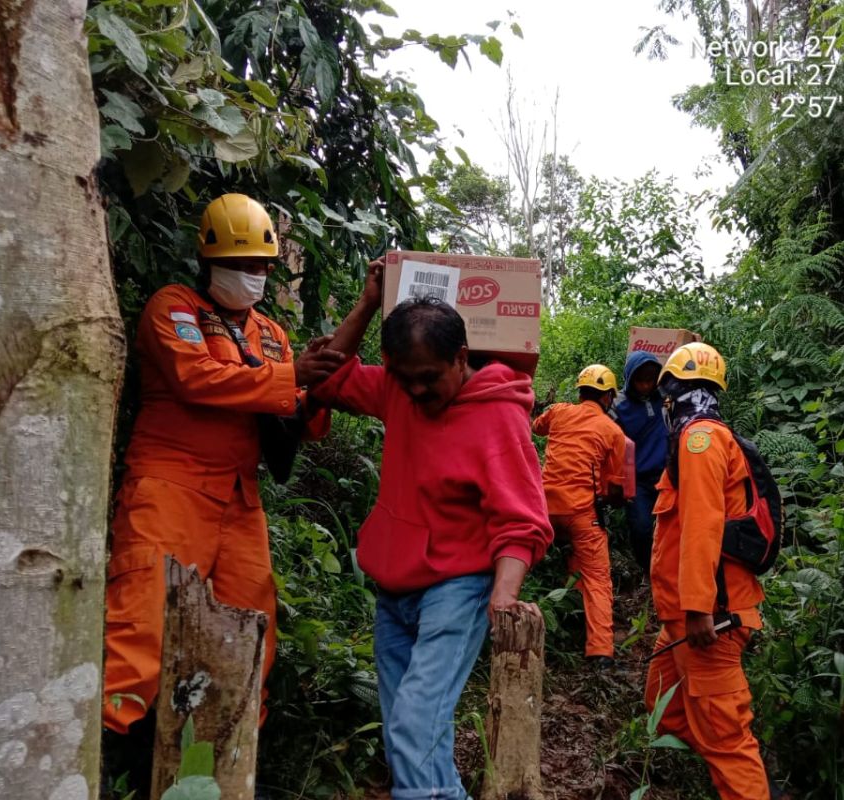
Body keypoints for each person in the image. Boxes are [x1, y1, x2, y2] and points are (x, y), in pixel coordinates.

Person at [102, 194, 344, 749]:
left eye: (261, 266)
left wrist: (317, 387)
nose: (254, 276)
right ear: (210, 260)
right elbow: (196, 379)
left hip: (240, 499)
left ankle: (231, 759)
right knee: (142, 626)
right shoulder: (174, 308)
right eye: (242, 265)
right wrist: (290, 378)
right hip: (170, 486)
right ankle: (110, 755)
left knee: (249, 628)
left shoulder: (272, 334)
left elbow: (296, 418)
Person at [311, 261, 552, 800]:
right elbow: (325, 377)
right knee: (412, 735)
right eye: (404, 377)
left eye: (429, 377)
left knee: (414, 727)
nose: (417, 391)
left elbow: (523, 518)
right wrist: (369, 303)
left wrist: (503, 596)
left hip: (456, 591)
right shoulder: (398, 390)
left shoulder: (497, 414)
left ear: (461, 357)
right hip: (393, 592)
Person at [644, 342, 771, 800]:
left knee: (727, 740)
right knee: (663, 703)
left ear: (674, 393)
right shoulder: (701, 437)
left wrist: (698, 609)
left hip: (708, 618)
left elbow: (702, 524)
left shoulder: (700, 440)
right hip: (683, 617)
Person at [532, 365, 626, 667]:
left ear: (580, 391)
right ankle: (600, 650)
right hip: (581, 514)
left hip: (544, 511)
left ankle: (569, 621)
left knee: (574, 557)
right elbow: (615, 485)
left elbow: (538, 427)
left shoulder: (559, 411)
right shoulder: (613, 431)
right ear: (609, 396)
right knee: (598, 577)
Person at [612, 350, 668, 574]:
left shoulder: (664, 395)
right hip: (637, 480)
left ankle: (670, 568)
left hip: (667, 474)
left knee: (674, 526)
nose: (646, 386)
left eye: (650, 380)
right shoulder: (618, 405)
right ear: (630, 378)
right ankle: (649, 570)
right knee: (642, 528)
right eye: (640, 380)